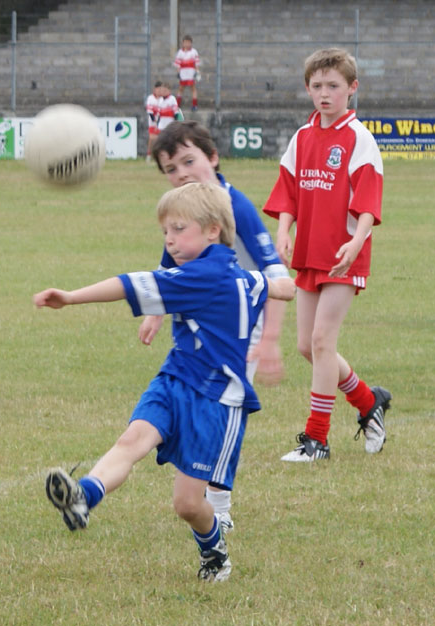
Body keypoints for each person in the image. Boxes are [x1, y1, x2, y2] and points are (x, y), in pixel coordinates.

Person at [34, 182, 296, 582]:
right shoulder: (239, 276)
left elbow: (126, 284)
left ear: (212, 230)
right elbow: (279, 288)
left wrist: (70, 297)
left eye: (178, 229)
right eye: (165, 232)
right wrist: (280, 280)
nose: (169, 241)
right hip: (175, 380)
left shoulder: (201, 277)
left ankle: (214, 553)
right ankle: (83, 496)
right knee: (131, 441)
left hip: (217, 401)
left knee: (188, 504)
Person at [142, 120, 290, 527]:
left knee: (226, 408)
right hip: (199, 326)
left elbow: (276, 273)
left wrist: (271, 338)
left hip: (241, 326)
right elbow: (168, 268)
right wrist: (156, 312)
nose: (182, 174)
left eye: (190, 161)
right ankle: (200, 495)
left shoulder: (233, 206)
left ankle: (219, 510)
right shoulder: (183, 213)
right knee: (198, 405)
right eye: (171, 169)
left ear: (213, 157)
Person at [263, 47, 392, 462]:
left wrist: (356, 244)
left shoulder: (359, 139)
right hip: (309, 251)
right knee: (306, 345)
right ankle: (369, 401)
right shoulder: (303, 137)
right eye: (317, 86)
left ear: (352, 89)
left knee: (322, 339)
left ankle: (316, 440)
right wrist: (284, 230)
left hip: (343, 255)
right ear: (307, 88)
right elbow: (289, 190)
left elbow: (369, 202)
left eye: (333, 86)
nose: (324, 94)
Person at [174, 35, 200, 111]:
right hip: (183, 73)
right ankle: (177, 105)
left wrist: (197, 72)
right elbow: (178, 64)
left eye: (189, 43)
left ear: (191, 43)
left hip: (191, 73)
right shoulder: (180, 52)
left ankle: (194, 105)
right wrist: (178, 73)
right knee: (181, 88)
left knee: (193, 88)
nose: (187, 44)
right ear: (183, 43)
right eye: (185, 42)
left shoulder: (194, 52)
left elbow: (197, 63)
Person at [145, 80, 162, 162]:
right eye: (157, 89)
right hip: (152, 122)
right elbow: (149, 111)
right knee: (152, 138)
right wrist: (154, 122)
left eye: (160, 89)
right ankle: (148, 155)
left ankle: (158, 156)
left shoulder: (163, 99)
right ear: (154, 89)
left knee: (160, 139)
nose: (159, 91)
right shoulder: (150, 98)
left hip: (161, 122)